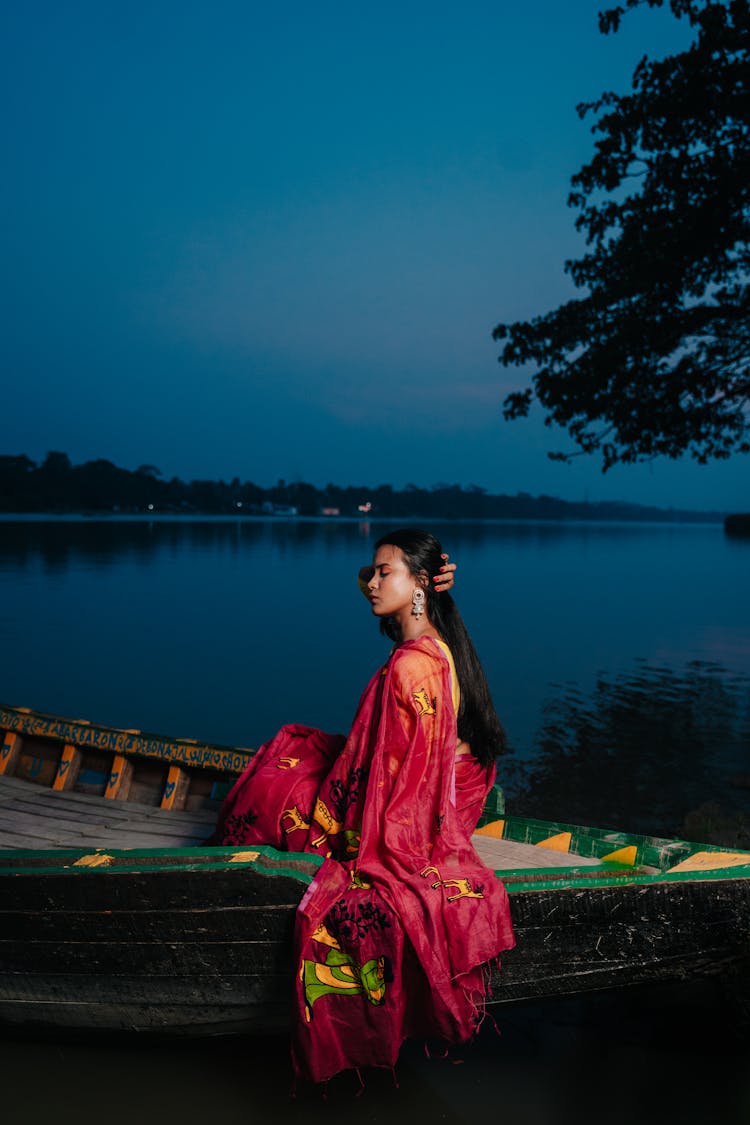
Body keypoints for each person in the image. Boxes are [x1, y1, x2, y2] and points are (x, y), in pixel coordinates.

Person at [212, 528, 515, 1086]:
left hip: (389, 814)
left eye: (384, 573)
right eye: (369, 573)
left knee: (276, 784)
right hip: (402, 784)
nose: (371, 583)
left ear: (421, 586)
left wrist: (366, 834)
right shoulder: (434, 646)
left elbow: (401, 786)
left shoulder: (412, 665)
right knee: (294, 753)